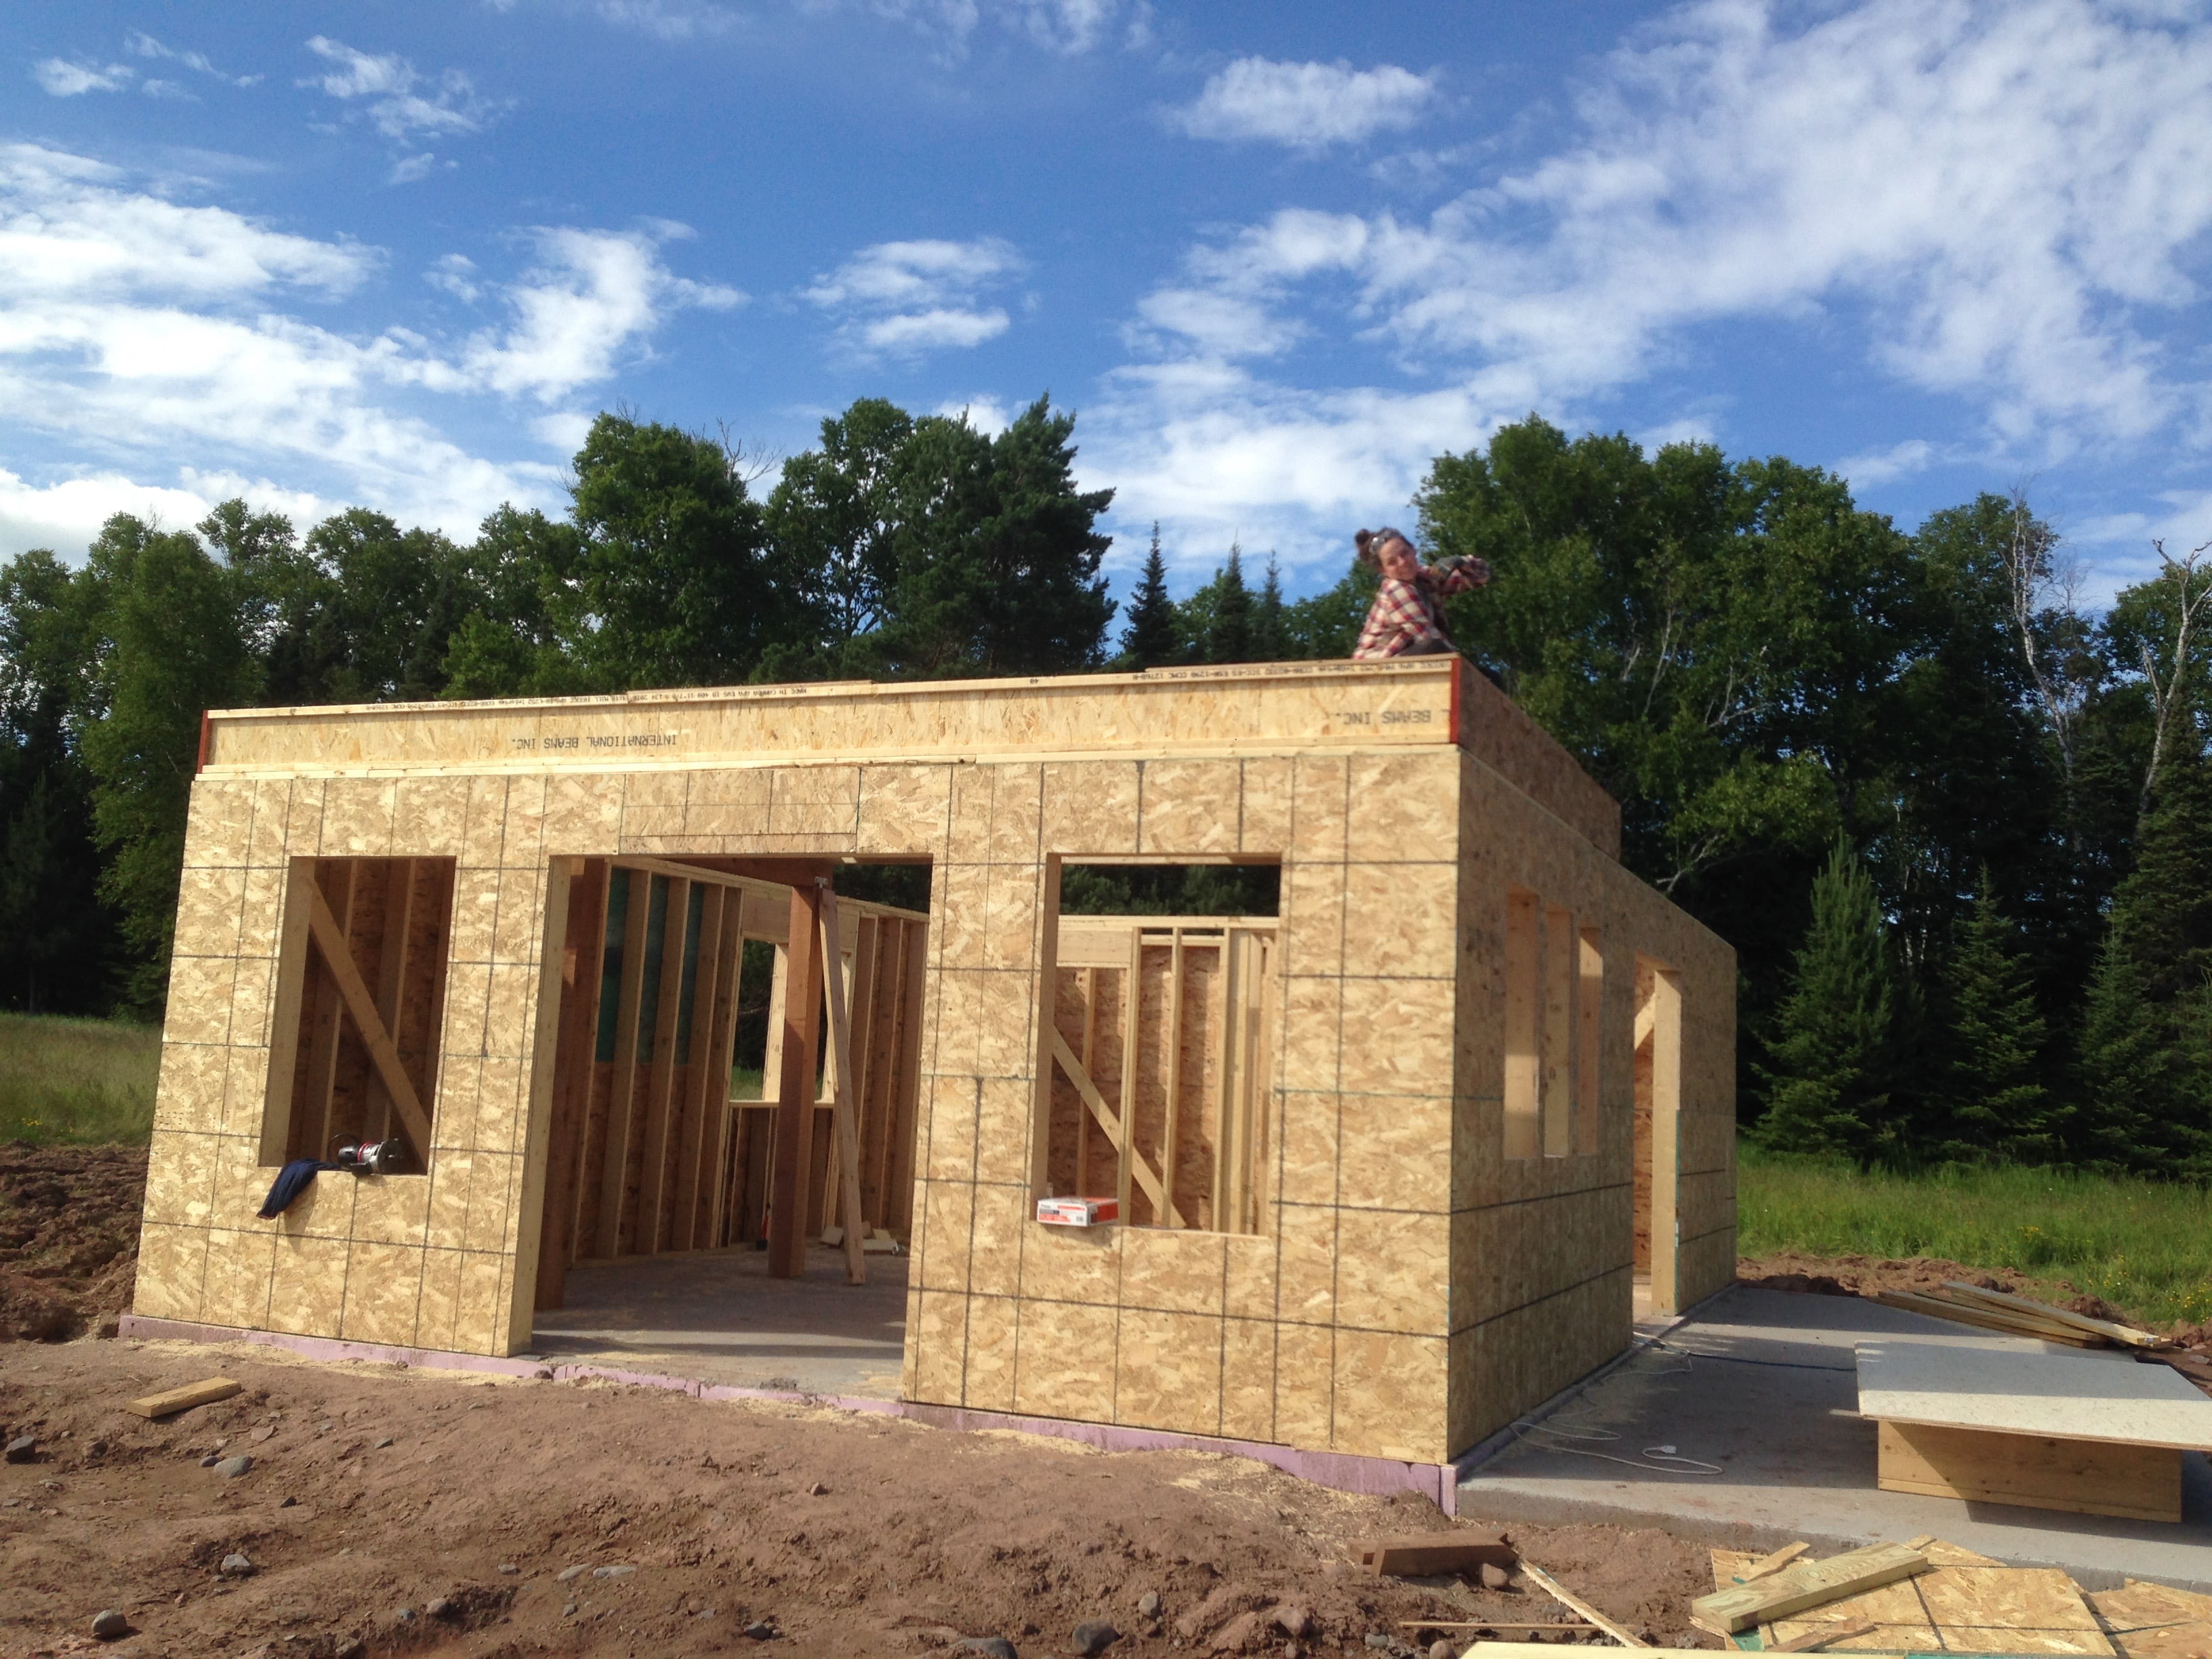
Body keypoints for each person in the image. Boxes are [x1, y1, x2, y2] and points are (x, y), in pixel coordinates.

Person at [1351, 527, 1490, 659]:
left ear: (1413, 549)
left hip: (1405, 661)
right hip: (1374, 668)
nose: (1402, 562)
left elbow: (1481, 575)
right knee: (1434, 646)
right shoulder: (1397, 589)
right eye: (1392, 562)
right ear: (1383, 571)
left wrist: (1459, 562)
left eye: (1404, 553)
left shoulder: (1425, 579)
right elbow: (1428, 637)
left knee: (1491, 677)